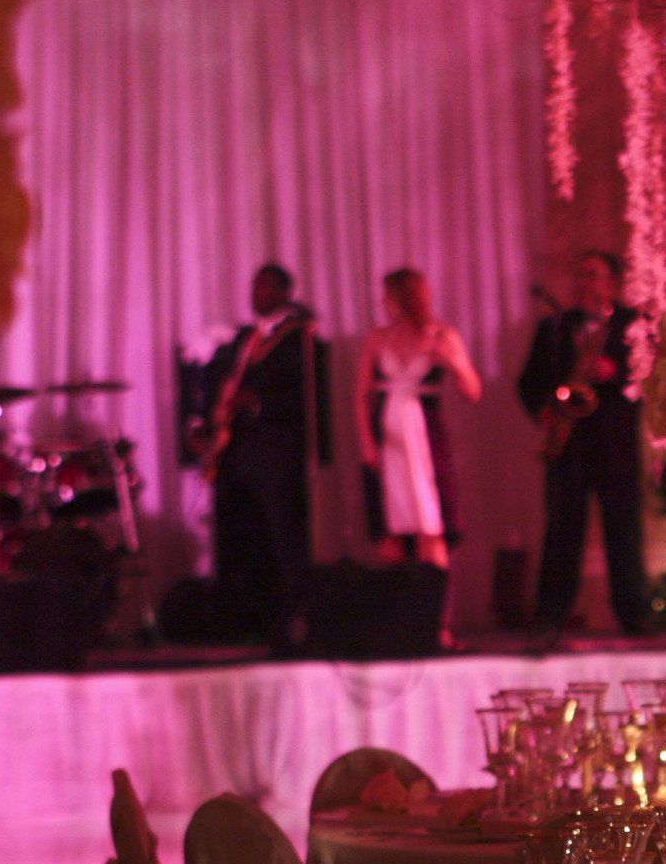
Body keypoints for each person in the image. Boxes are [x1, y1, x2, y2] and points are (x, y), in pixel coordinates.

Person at [518, 251, 647, 643]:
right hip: (568, 444)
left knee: (622, 532)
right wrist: (542, 409)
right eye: (580, 275)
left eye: (593, 275)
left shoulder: (632, 325)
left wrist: (618, 371)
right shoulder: (555, 326)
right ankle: (551, 616)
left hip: (615, 445)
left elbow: (649, 376)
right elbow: (527, 381)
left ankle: (633, 617)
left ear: (612, 283)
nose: (584, 283)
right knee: (561, 532)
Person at [195, 263, 329, 641]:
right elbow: (220, 383)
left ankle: (291, 620)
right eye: (254, 285)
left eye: (265, 287)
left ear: (284, 291)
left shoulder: (299, 339)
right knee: (241, 537)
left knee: (281, 537)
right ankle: (243, 619)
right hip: (236, 455)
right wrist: (207, 421)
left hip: (276, 456)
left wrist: (256, 402)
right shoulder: (244, 339)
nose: (257, 293)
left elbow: (305, 396)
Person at [356, 267, 482, 569]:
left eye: (387, 295)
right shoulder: (378, 338)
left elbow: (473, 390)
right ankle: (399, 611)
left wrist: (450, 361)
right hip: (387, 435)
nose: (383, 301)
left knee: (431, 524)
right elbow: (362, 396)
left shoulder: (442, 335)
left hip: (425, 436)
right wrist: (367, 443)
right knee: (390, 530)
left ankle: (437, 612)